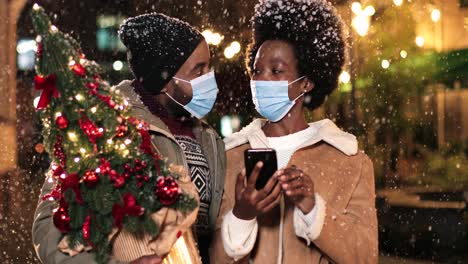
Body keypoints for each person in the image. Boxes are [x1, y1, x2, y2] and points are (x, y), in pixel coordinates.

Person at [32, 13, 225, 264]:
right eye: (199, 69)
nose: (209, 77)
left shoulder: (208, 138)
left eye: (208, 66)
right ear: (164, 81)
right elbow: (50, 225)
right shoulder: (106, 129)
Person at [210, 0, 378, 263]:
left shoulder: (350, 162)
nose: (261, 79)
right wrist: (242, 214)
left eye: (276, 71)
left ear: (307, 83)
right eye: (256, 70)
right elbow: (215, 258)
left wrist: (313, 210)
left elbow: (365, 257)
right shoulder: (227, 157)